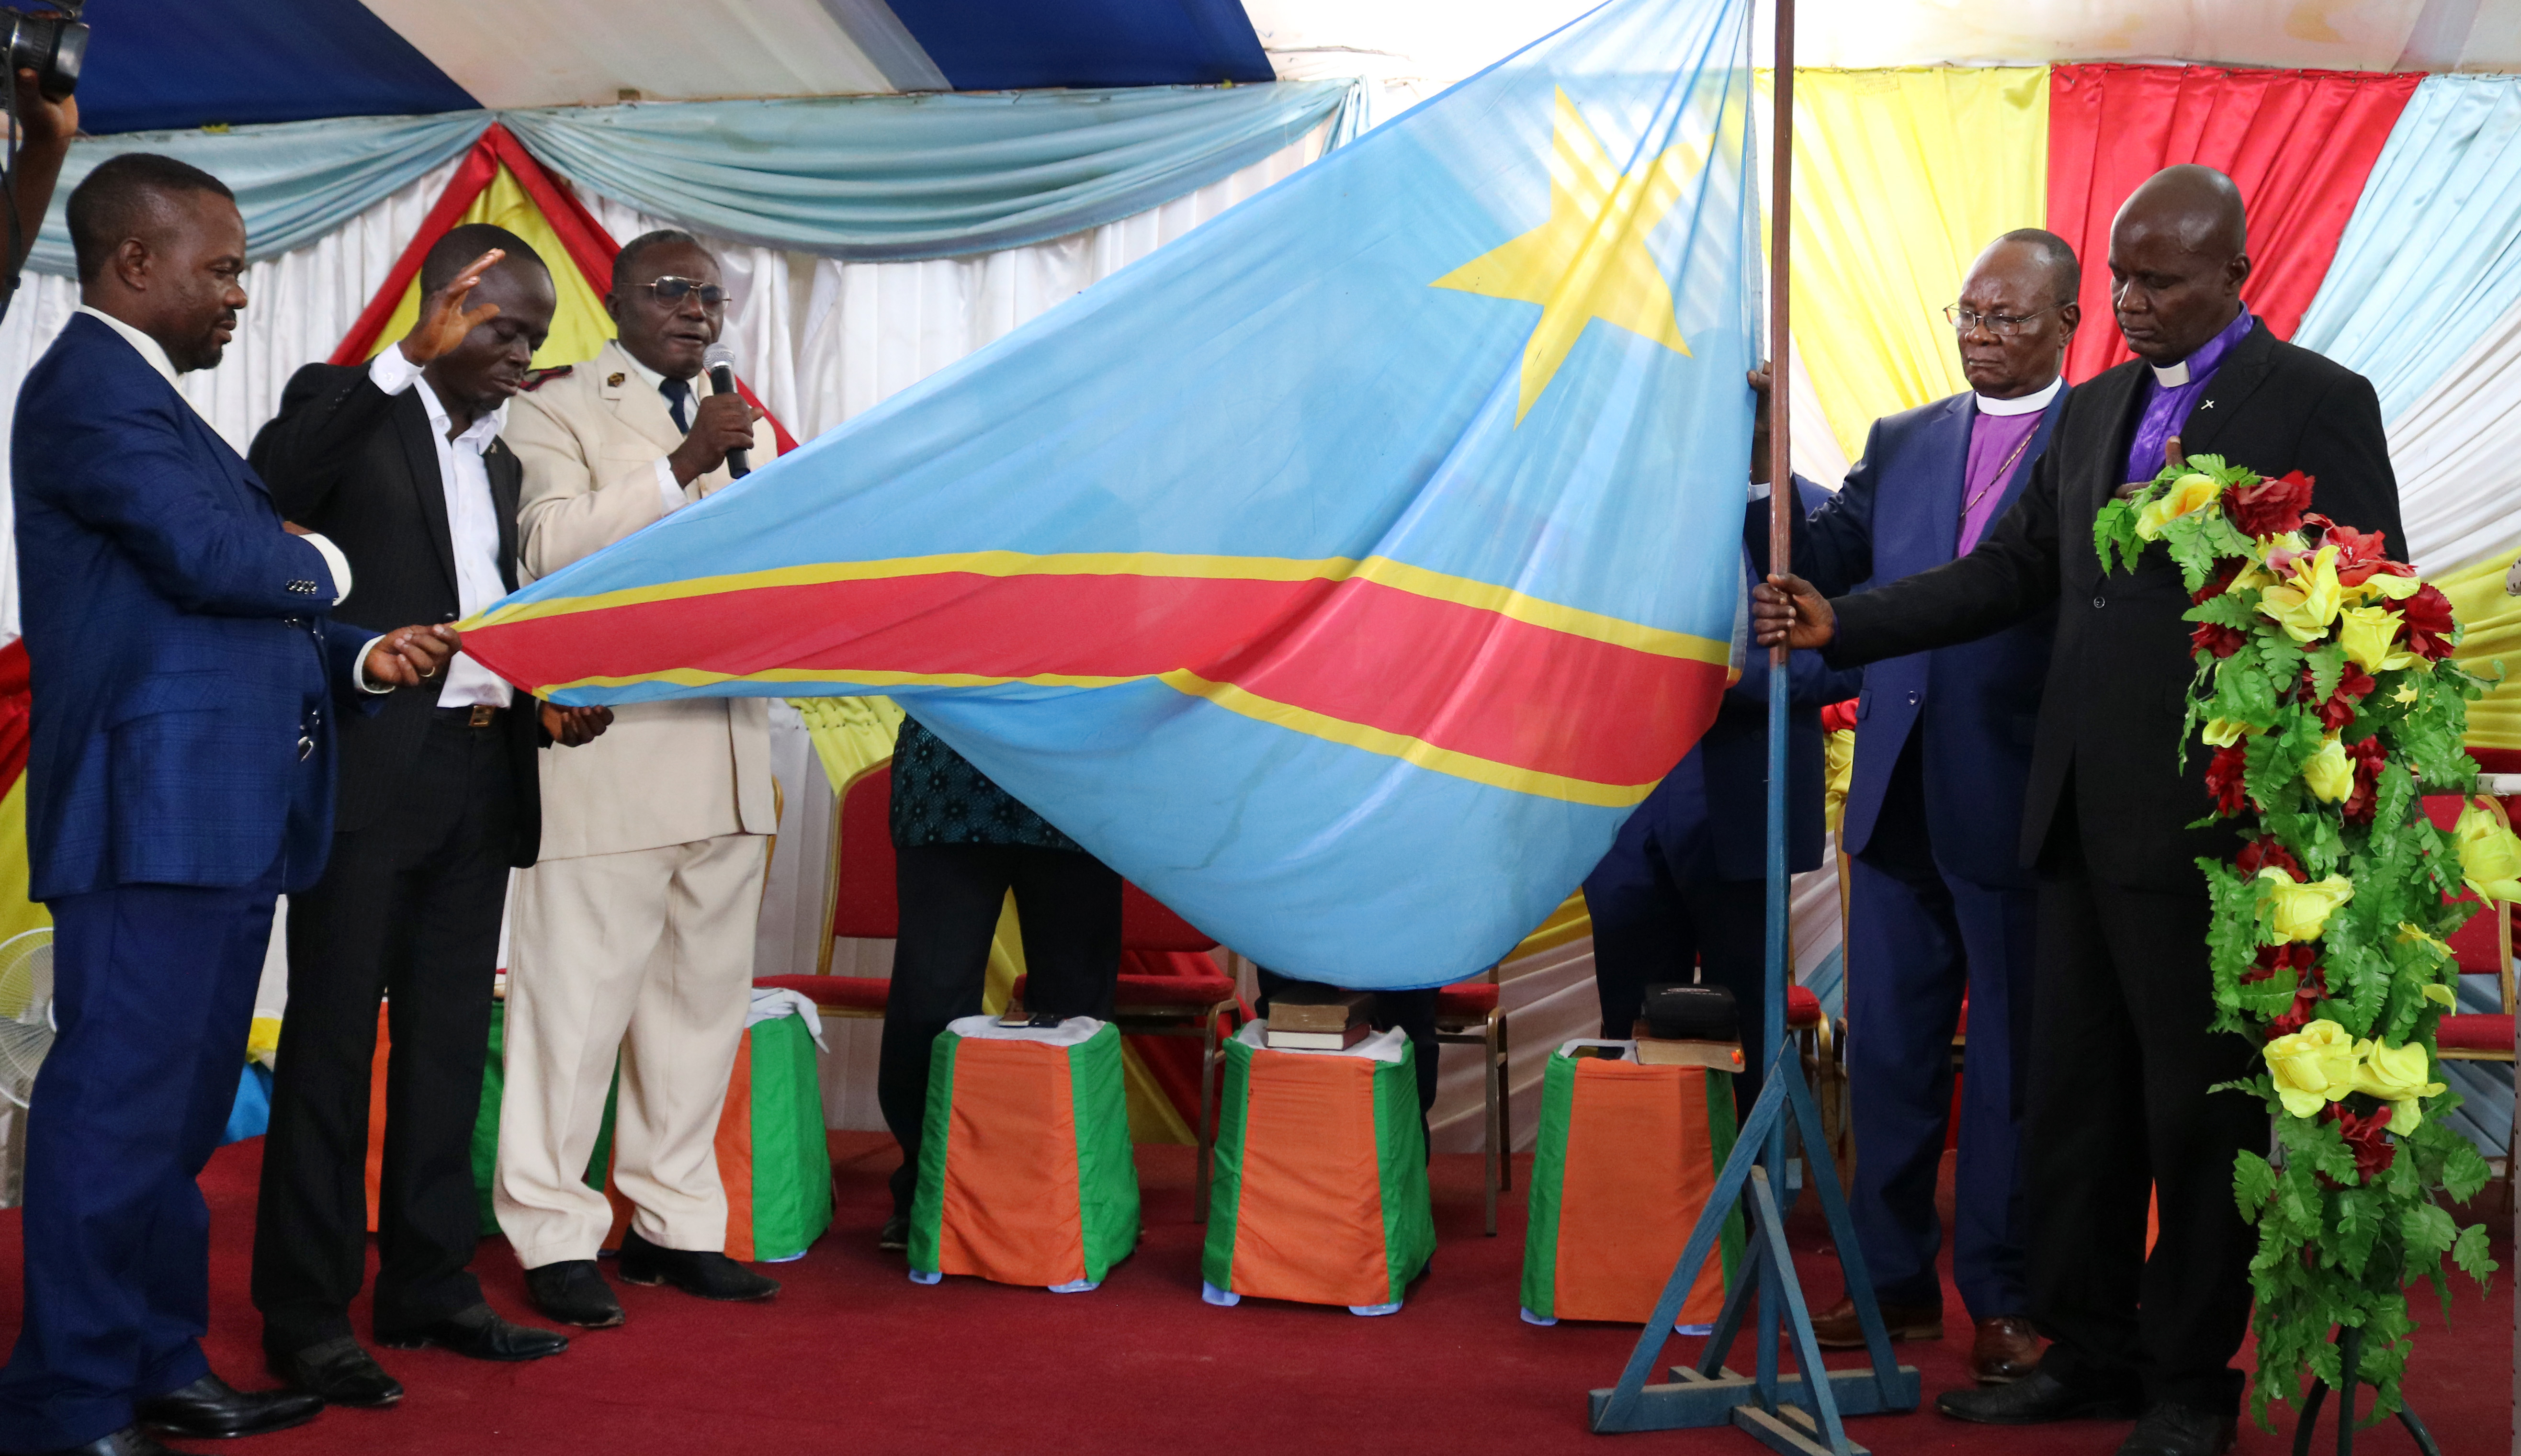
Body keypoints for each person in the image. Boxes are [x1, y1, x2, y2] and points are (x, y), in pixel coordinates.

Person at [1753, 166, 2402, 1456]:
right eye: (2120, 279)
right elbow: (2015, 572)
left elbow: (2369, 599)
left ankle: (2186, 1384)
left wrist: (2307, 809)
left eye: (2158, 281)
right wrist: (1854, 620)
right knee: (2078, 1106)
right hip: (2072, 815)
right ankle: (2086, 1349)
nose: (2132, 303)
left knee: (2191, 1114)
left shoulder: (2319, 401)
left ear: (2236, 276)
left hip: (2213, 831)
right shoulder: (2095, 407)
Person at [0, 154, 456, 1456]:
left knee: (181, 1119)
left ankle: (156, 1362)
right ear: (133, 265)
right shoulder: (86, 391)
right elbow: (215, 561)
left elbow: (201, 611)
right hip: (155, 811)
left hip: (219, 807)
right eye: (222, 270)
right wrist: (323, 560)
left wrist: (355, 657)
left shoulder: (154, 406)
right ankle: (70, 1402)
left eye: (244, 269)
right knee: (117, 1114)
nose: (240, 296)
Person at [246, 226, 613, 1407]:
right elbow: (274, 488)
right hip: (367, 784)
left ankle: (428, 1281)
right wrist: (403, 356)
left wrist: (536, 708)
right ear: (449, 305)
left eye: (535, 338)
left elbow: (480, 622)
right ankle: (305, 1313)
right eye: (505, 326)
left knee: (452, 1047)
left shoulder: (502, 465)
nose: (523, 354)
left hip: (481, 776)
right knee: (333, 1049)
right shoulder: (347, 403)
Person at [1786, 230, 2078, 1385]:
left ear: (2067, 325)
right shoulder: (1903, 441)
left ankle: (2003, 1298)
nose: (1981, 334)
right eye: (1967, 314)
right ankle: (1889, 1283)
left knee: (2009, 1072)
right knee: (1893, 1057)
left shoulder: (2103, 436)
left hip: (2021, 807)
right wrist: (1765, 469)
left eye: (2007, 317)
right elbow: (1823, 557)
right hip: (1895, 797)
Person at [495, 230, 783, 1328]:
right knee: (574, 1020)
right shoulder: (557, 406)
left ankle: (675, 1226)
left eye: (711, 295)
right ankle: (555, 1234)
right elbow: (547, 552)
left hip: (727, 759)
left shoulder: (739, 421)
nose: (697, 309)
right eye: (671, 289)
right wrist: (679, 465)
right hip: (610, 760)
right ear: (611, 300)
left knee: (698, 1019)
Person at [1583, 380, 1857, 1120]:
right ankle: (1657, 1214)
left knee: (1748, 1031)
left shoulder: (1816, 512)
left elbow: (1847, 654)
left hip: (1746, 805)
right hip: (1622, 819)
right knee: (1635, 1035)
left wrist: (1723, 674)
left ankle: (1747, 1210)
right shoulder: (1611, 511)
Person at [874, 718, 1123, 1250]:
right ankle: (925, 1192)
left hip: (1076, 784)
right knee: (930, 1004)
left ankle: (1078, 1193)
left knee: (1080, 1012)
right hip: (950, 783)